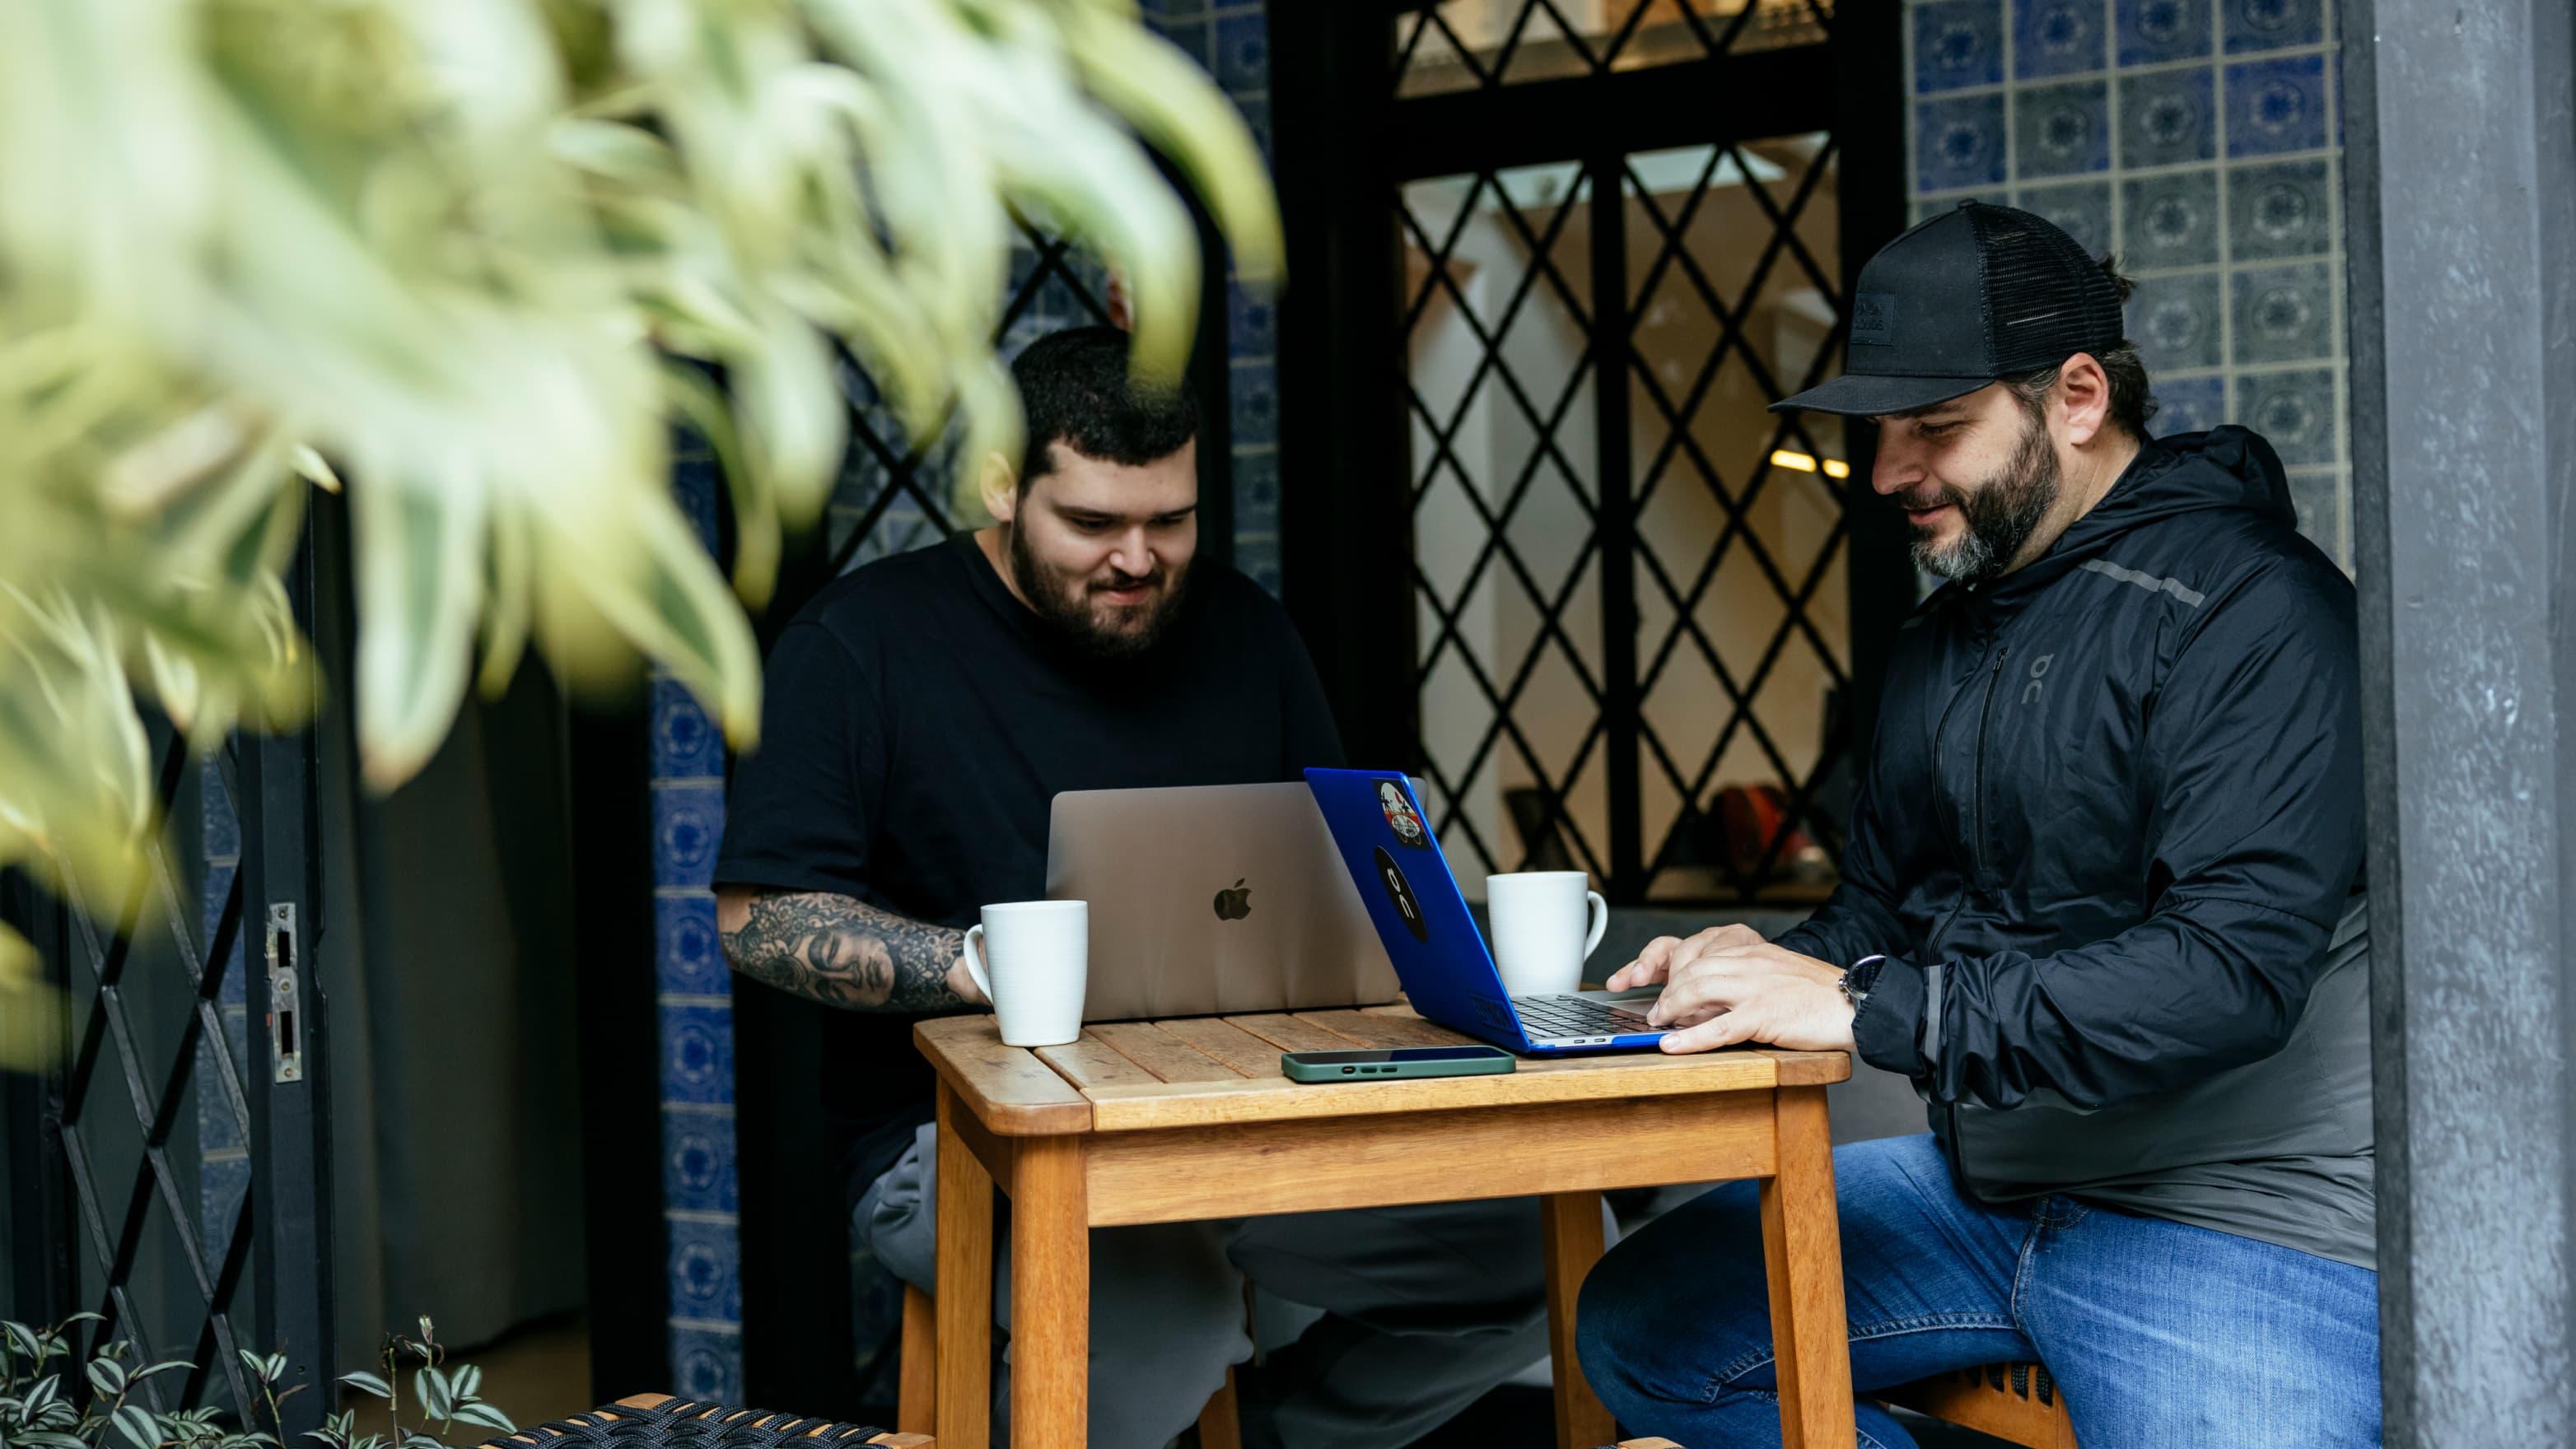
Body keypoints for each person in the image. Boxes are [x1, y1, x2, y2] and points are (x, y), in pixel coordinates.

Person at [1575, 203, 2378, 1447]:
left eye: (1936, 428)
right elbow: (1880, 918)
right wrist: (1738, 971)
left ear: (2076, 396)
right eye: (1880, 433)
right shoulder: (1946, 637)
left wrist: (1873, 1005)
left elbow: (2227, 977)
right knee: (1645, 1327)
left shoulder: (2259, 611)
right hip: (1997, 1188)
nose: (1888, 473)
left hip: (2242, 1217)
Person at [712, 327, 1548, 1448]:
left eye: (1171, 521)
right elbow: (758, 918)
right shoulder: (860, 644)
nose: (1139, 559)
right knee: (1160, 1316)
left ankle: (1284, 1436)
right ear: (1005, 486)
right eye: (1095, 524)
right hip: (957, 1146)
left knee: (1534, 1255)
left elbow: (1346, 877)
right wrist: (973, 964)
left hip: (1247, 1124)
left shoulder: (1249, 633)